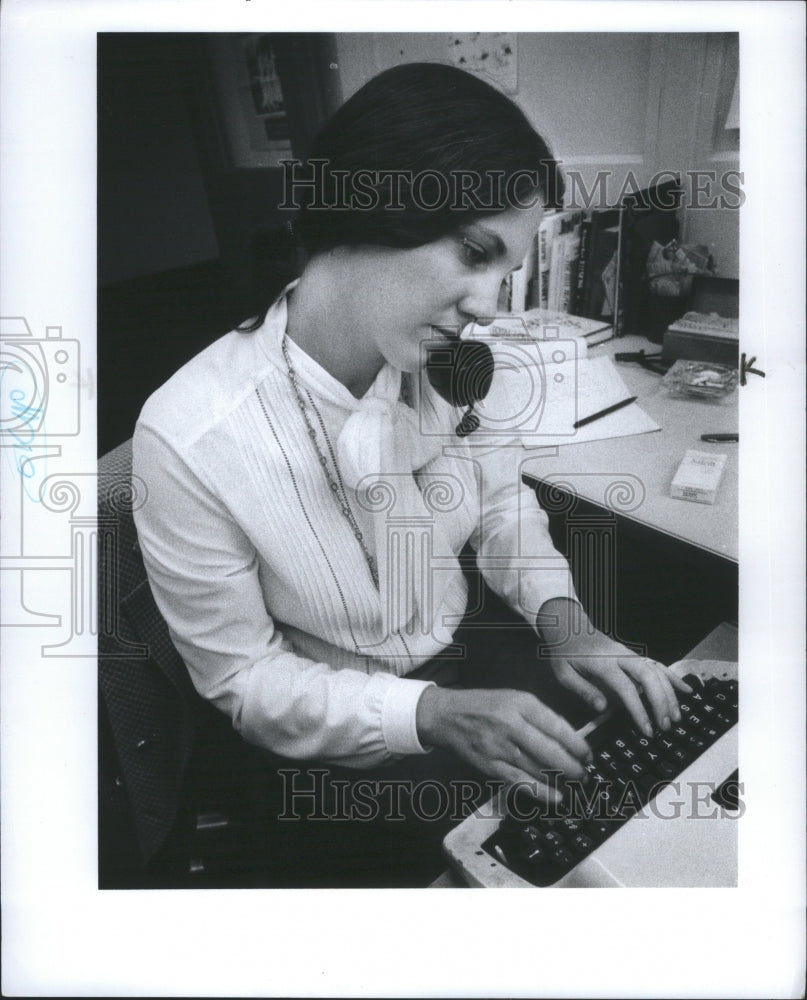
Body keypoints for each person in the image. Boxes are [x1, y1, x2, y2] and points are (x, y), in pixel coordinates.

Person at [132, 62, 687, 884]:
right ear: (367, 204)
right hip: (331, 745)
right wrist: (429, 715)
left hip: (473, 660)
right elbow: (243, 682)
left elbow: (504, 510)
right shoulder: (188, 437)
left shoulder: (454, 367)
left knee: (643, 782)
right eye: (474, 253)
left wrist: (567, 623)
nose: (488, 304)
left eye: (503, 270)